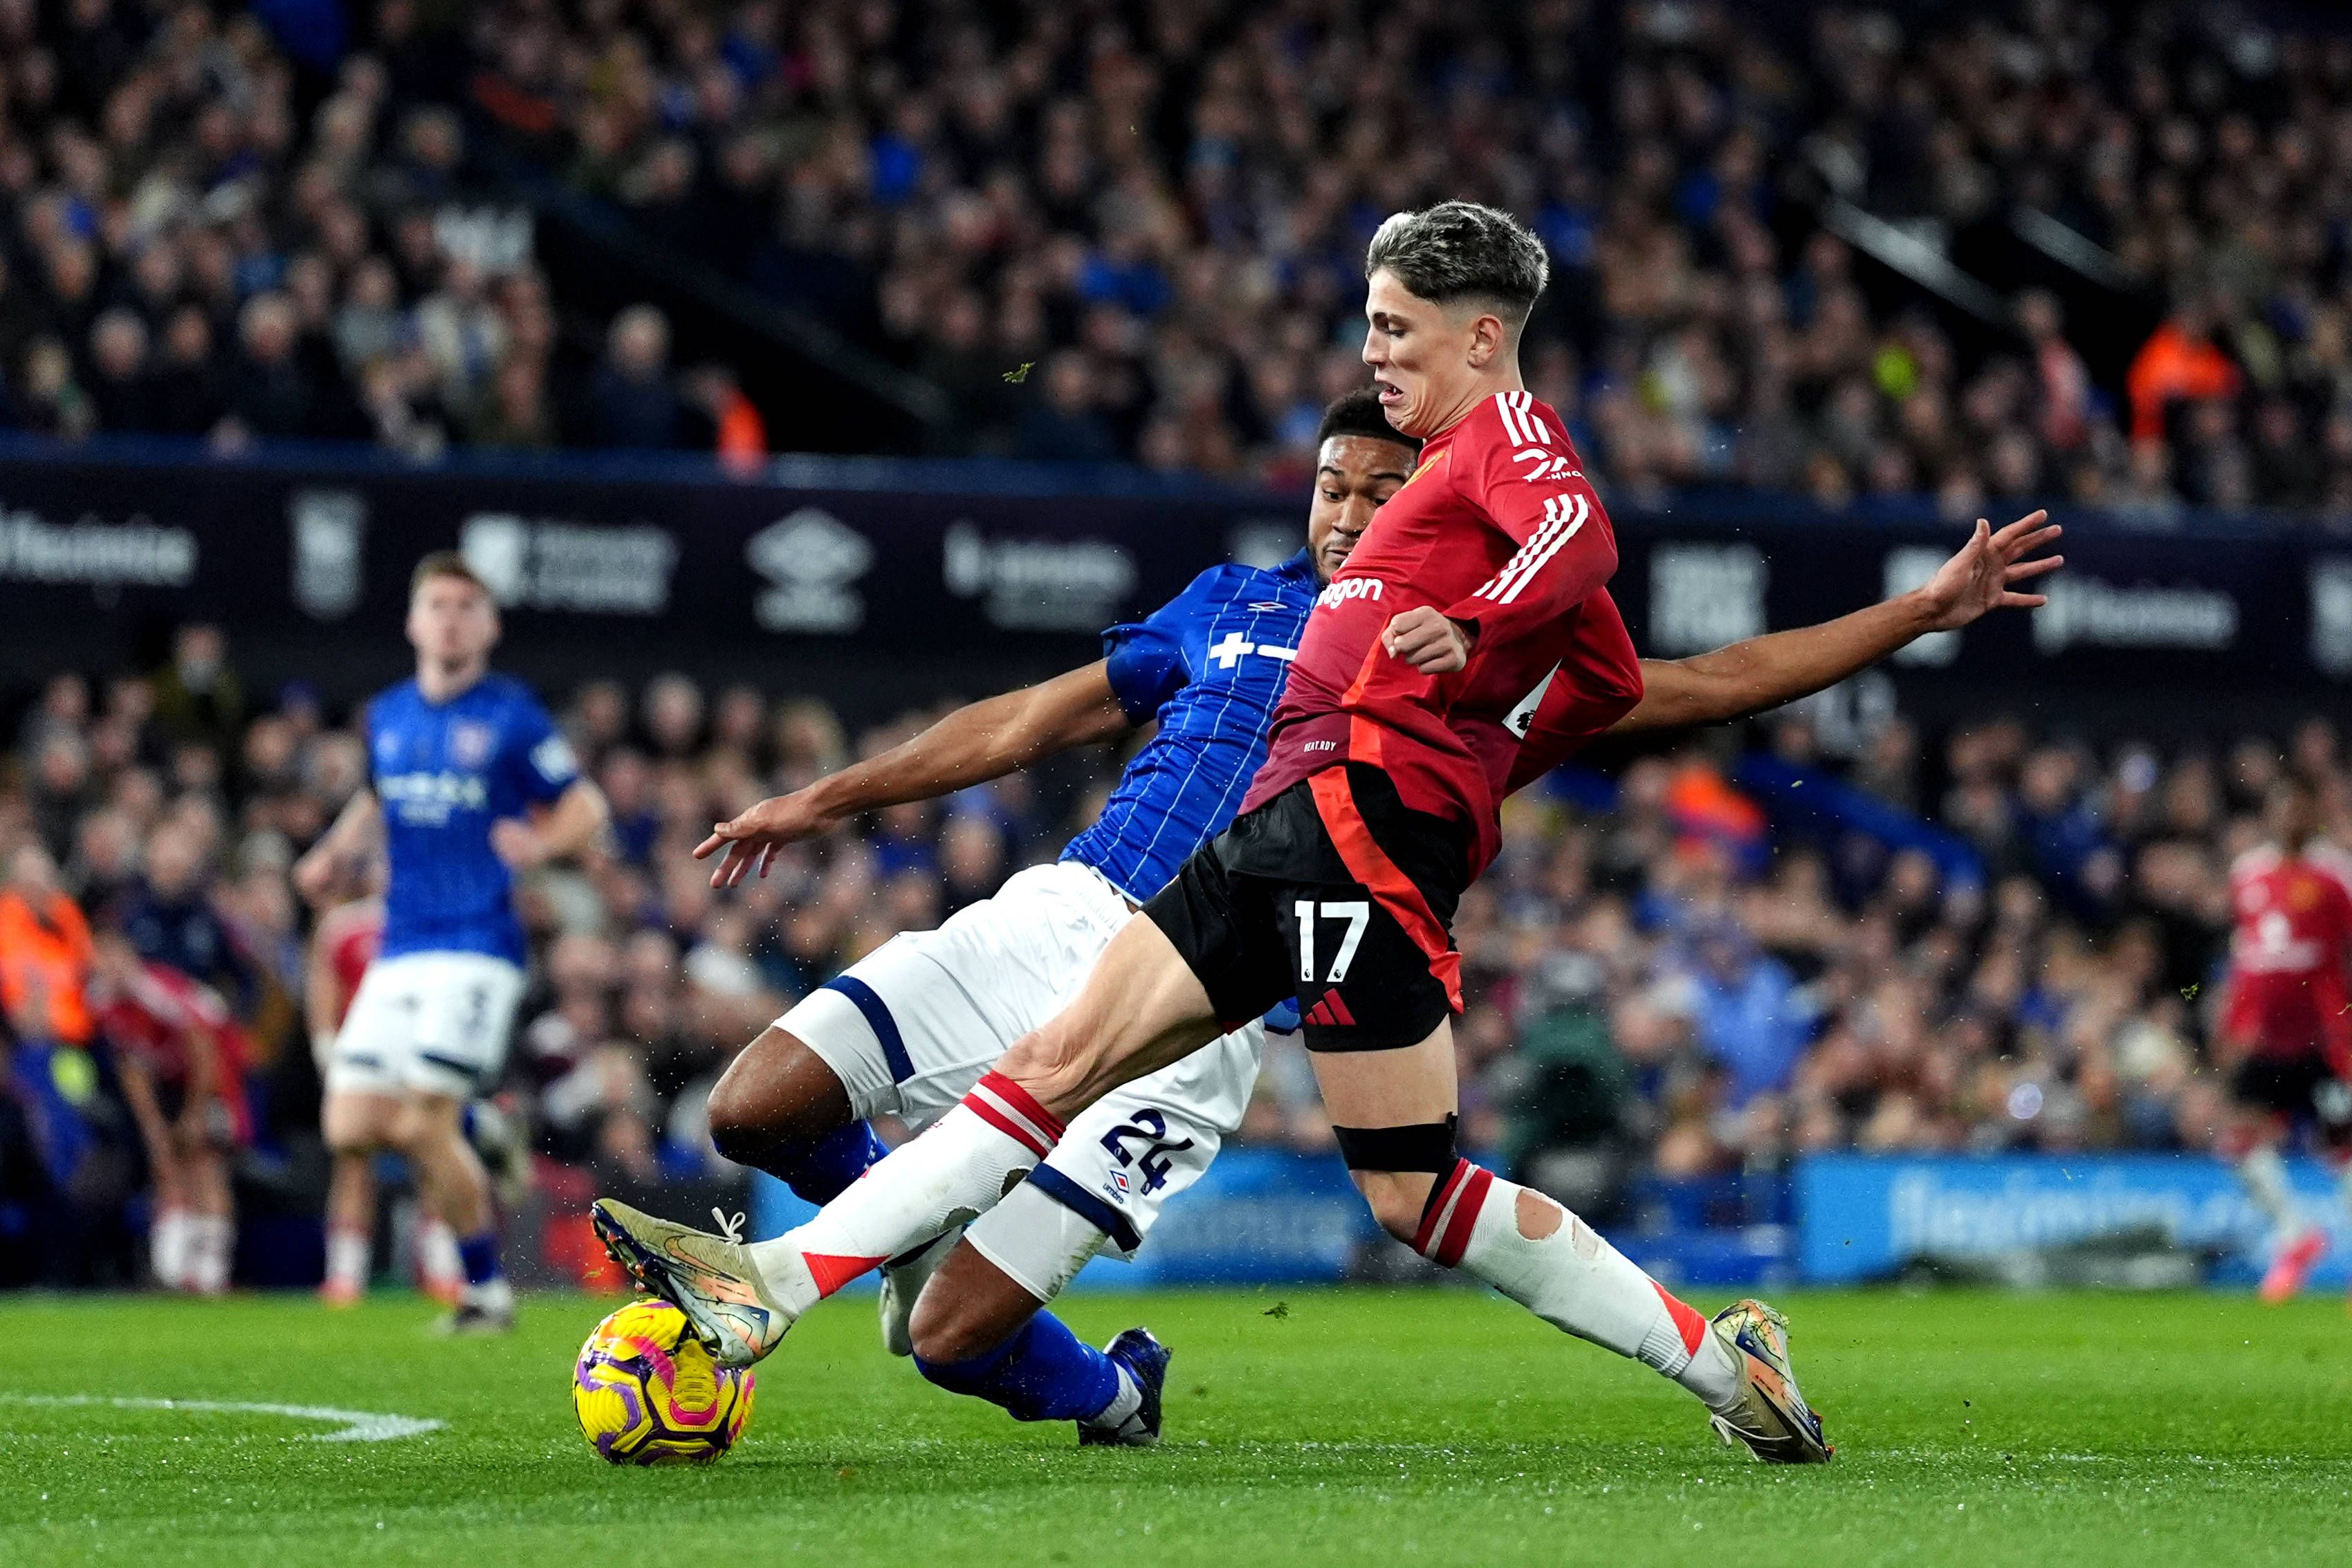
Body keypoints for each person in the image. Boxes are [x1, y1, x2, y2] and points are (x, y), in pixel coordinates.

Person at [599, 210, 2059, 1455]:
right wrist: (1523, 705)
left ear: (1474, 339)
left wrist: (1486, 646)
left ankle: (781, 1284)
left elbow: (1620, 599)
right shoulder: (1338, 564)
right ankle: (1721, 1360)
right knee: (1412, 1190)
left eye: (1395, 329)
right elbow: (1618, 667)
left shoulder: (1504, 463)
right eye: (1337, 459)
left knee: (1075, 1088)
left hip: (1343, 834)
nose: (1373, 365)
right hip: (1327, 862)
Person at [295, 553, 609, 1331]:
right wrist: (336, 852)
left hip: (477, 944)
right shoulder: (389, 713)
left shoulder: (511, 714)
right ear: (413, 620)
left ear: (490, 624)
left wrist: (537, 846)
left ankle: (484, 1294)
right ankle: (484, 1125)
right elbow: (376, 792)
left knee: (418, 1121)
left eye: (468, 605)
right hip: (402, 944)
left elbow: (586, 806)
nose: (452, 618)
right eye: (438, 603)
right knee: (352, 1126)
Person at [2213, 781, 2352, 1304]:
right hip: (2266, 1037)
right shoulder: (2248, 873)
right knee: (2238, 1139)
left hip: (2322, 1036)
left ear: (2312, 814)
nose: (2289, 815)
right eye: (2281, 805)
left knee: (2343, 1146)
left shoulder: (2335, 874)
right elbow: (2246, 955)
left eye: (2298, 806)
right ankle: (2296, 1235)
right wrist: (2232, 1022)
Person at [89, 928, 248, 1295]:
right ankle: (177, 1270)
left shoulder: (154, 991)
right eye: (100, 957)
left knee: (205, 1161)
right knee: (167, 1163)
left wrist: (196, 1113)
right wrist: (154, 1128)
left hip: (216, 1072)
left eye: (114, 956)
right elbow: (132, 1067)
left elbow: (203, 1043)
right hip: (168, 1079)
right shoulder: (102, 1000)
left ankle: (213, 1271)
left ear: (130, 957)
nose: (108, 967)